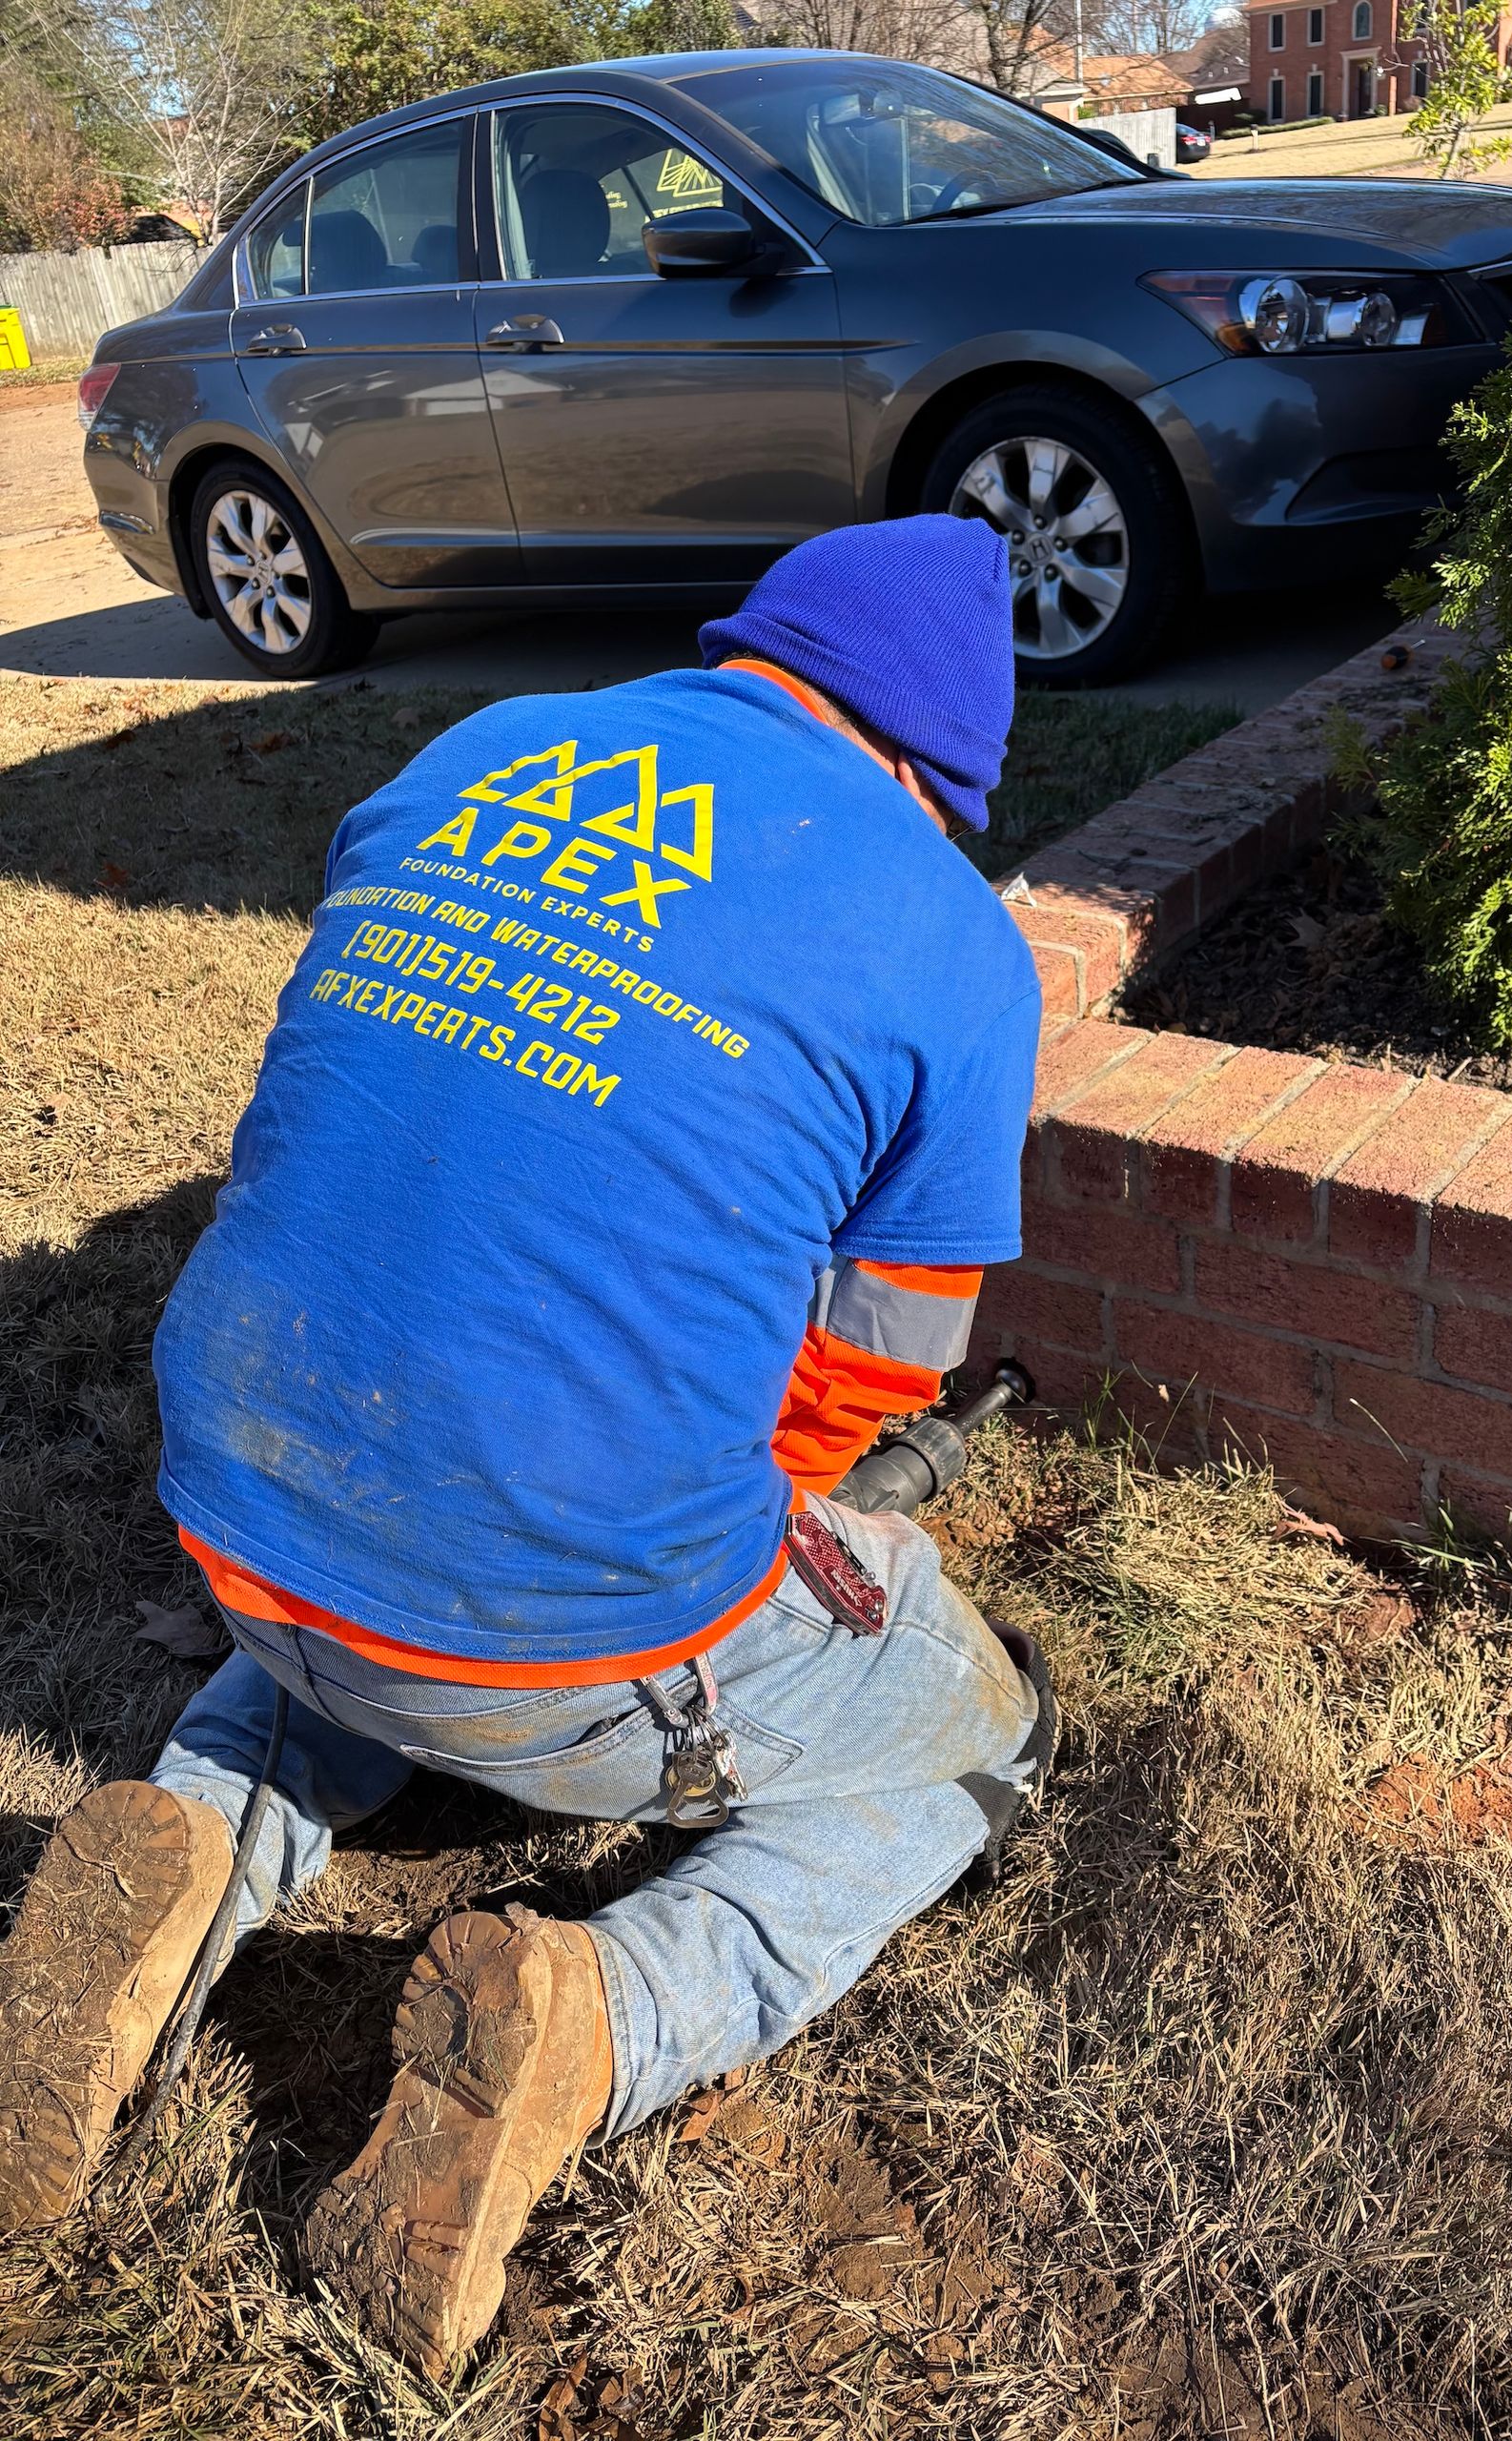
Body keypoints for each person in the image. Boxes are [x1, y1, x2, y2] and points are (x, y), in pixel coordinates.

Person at [0, 516, 1049, 2376]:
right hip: (562, 1634)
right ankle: (597, 2018)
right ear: (926, 767)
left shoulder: (479, 751)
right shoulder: (944, 929)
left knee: (344, 1622)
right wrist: (773, 1484)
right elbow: (899, 1339)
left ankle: (177, 1857)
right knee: (968, 1747)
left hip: (248, 1503)